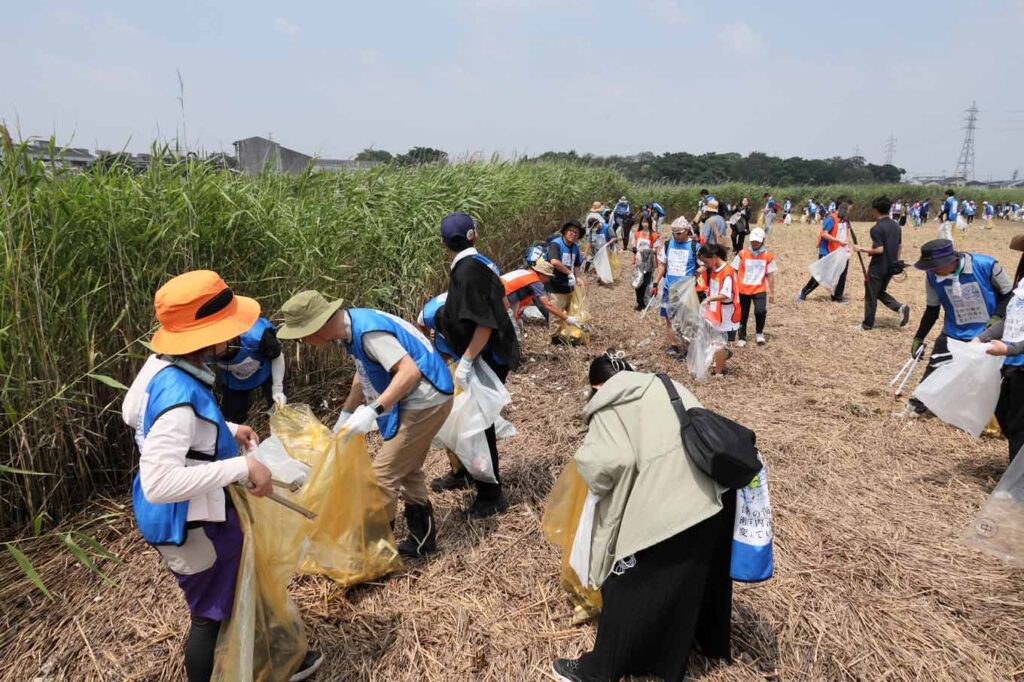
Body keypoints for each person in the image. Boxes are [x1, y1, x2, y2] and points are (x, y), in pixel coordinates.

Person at [124, 270, 322, 682]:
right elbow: (160, 481)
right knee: (210, 614)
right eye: (227, 328)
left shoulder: (159, 367)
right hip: (190, 523)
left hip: (202, 512)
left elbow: (138, 418)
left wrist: (227, 430)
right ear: (205, 334)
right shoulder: (178, 396)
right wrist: (241, 465)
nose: (234, 336)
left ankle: (278, 656)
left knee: (240, 588)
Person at [550, 353, 734, 682]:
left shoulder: (608, 403)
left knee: (628, 585)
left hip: (674, 496)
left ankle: (597, 672)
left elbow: (610, 462)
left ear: (596, 386)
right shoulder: (663, 384)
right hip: (717, 490)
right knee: (689, 576)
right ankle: (684, 651)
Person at [277, 290, 454, 557]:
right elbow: (363, 373)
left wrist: (374, 410)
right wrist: (346, 414)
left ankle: (375, 555)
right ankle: (422, 542)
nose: (304, 340)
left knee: (382, 478)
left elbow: (408, 371)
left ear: (317, 326)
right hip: (416, 398)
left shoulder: (368, 332)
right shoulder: (352, 327)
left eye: (303, 334)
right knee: (406, 468)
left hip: (426, 399)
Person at [436, 212, 522, 516]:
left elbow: (484, 324)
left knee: (479, 425)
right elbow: (498, 305)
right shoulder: (480, 264)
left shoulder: (467, 271)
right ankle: (469, 475)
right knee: (474, 422)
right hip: (486, 354)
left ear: (443, 242)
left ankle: (490, 494)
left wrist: (467, 362)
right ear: (475, 235)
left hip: (485, 356)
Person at [903, 239, 1014, 417]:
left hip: (987, 330)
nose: (931, 270)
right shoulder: (932, 276)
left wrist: (997, 317)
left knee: (983, 374)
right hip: (953, 328)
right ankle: (918, 405)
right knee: (936, 365)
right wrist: (919, 337)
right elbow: (932, 309)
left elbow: (1009, 294)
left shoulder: (987, 265)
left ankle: (978, 412)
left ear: (950, 260)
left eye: (934, 266)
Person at [974, 276, 1024, 462]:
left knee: (1019, 426)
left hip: (1017, 359)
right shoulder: (1022, 286)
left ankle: (1015, 485)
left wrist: (1009, 349)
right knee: (1004, 415)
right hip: (1012, 364)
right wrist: (983, 337)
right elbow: (1010, 319)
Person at [851, 196, 911, 331]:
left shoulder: (876, 228)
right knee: (878, 291)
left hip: (878, 266)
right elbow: (899, 246)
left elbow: (879, 249)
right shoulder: (896, 226)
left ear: (875, 210)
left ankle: (867, 324)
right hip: (891, 266)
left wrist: (861, 248)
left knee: (871, 294)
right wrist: (896, 262)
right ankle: (899, 308)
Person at [215, 316, 286, 423]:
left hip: (266, 371)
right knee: (233, 419)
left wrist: (278, 389)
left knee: (279, 409)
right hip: (234, 381)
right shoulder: (201, 348)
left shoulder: (257, 336)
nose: (213, 351)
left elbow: (277, 356)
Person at [651, 218, 700, 357]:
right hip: (669, 289)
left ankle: (688, 348)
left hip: (686, 291)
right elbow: (662, 265)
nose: (676, 236)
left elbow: (704, 264)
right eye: (674, 233)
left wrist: (696, 274)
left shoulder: (695, 246)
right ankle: (673, 346)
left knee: (687, 320)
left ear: (687, 232)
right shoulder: (668, 245)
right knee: (669, 319)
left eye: (679, 233)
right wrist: (655, 283)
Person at [797, 197, 852, 303]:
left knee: (841, 274)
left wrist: (846, 247)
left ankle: (837, 297)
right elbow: (824, 234)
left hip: (840, 251)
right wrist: (838, 241)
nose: (849, 211)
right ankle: (803, 292)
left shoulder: (845, 220)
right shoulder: (831, 218)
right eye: (848, 209)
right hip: (827, 251)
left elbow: (845, 234)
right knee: (821, 275)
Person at [699, 244, 740, 375]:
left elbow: (725, 295)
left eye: (706, 261)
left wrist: (709, 299)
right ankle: (721, 362)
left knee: (720, 343)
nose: (706, 265)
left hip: (725, 312)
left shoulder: (727, 271)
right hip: (716, 310)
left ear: (715, 257)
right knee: (715, 340)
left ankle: (718, 372)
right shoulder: (715, 269)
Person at [503, 259, 579, 328]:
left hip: (497, 293)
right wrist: (567, 318)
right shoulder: (535, 281)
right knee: (513, 332)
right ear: (541, 274)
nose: (548, 280)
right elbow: (548, 305)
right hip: (501, 299)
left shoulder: (525, 272)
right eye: (548, 277)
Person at [732, 228, 777, 347]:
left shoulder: (768, 256)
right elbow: (734, 270)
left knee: (760, 311)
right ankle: (742, 336)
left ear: (762, 240)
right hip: (743, 289)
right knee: (743, 314)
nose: (754, 243)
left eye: (757, 241)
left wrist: (772, 293)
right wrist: (735, 286)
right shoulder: (742, 253)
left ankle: (759, 333)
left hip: (760, 289)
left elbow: (771, 275)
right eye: (752, 241)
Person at [547, 221, 585, 339]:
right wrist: (569, 272)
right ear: (564, 232)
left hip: (569, 285)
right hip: (556, 284)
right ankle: (554, 337)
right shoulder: (556, 244)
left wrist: (578, 277)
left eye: (576, 233)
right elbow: (554, 262)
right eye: (571, 231)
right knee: (556, 313)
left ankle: (567, 334)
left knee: (570, 311)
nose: (573, 234)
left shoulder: (575, 247)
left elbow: (577, 264)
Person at [628, 216, 659, 310]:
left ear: (650, 223)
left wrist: (646, 250)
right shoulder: (637, 234)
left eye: (646, 222)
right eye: (643, 222)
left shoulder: (654, 235)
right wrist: (634, 249)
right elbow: (633, 245)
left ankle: (646, 303)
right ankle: (639, 302)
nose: (644, 224)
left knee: (646, 282)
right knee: (638, 282)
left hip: (649, 262)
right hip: (639, 262)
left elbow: (655, 249)